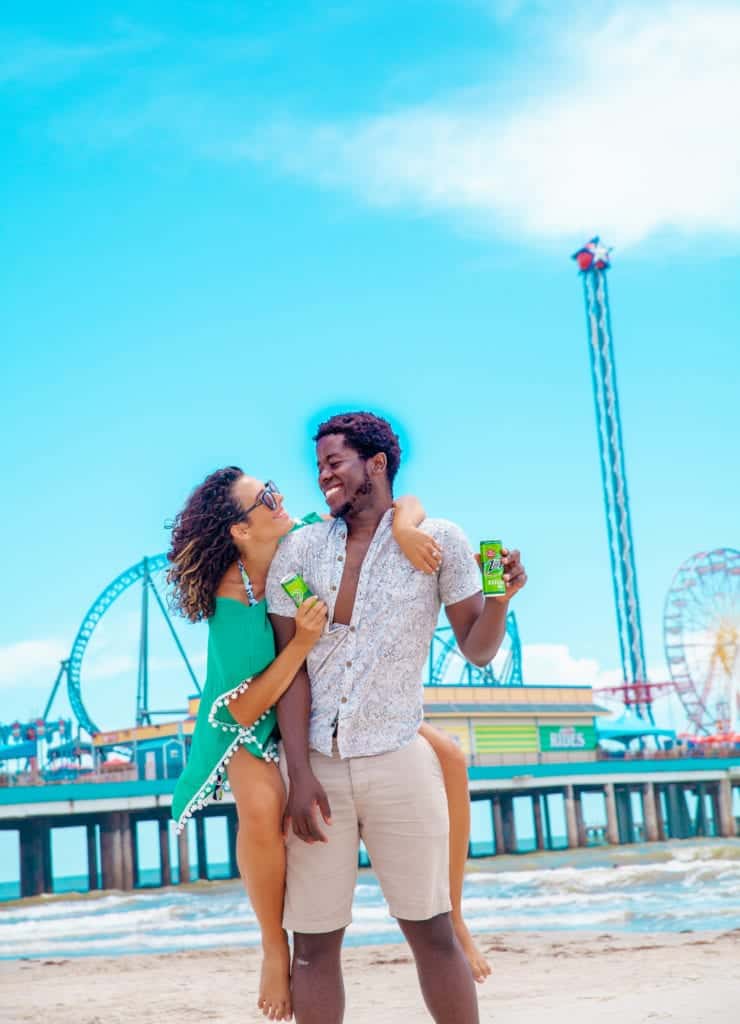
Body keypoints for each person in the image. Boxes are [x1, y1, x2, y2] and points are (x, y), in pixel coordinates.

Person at [167, 467, 488, 1022]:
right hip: (243, 723)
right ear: (240, 532)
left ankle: (455, 915)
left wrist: (409, 528)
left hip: (321, 711)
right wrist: (306, 642)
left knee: (451, 757)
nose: (280, 496)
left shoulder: (309, 537)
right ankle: (273, 948)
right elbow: (244, 706)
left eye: (273, 488)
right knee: (264, 807)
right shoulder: (233, 599)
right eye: (264, 498)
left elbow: (398, 503)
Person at [267, 411, 527, 1024]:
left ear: (376, 464)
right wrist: (299, 773)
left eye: (335, 462)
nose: (323, 475)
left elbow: (479, 649)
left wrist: (500, 601)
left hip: (399, 760)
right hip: (317, 771)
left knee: (431, 928)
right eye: (320, 466)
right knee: (313, 944)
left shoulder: (441, 542)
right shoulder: (298, 550)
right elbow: (291, 668)